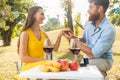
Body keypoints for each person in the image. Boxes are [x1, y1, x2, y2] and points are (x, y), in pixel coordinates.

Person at [63, 0, 115, 78]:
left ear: (100, 8)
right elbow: (84, 39)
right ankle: (102, 76)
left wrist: (76, 42)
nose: (88, 10)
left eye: (91, 7)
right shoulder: (89, 23)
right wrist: (73, 37)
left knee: (84, 71)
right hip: (87, 59)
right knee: (74, 74)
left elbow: (94, 54)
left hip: (103, 60)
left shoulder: (108, 29)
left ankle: (101, 76)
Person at [17, 6, 63, 80]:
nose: (44, 17)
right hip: (30, 68)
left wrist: (60, 36)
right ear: (33, 15)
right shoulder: (25, 33)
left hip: (42, 66)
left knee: (61, 76)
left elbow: (55, 48)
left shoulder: (43, 34)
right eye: (42, 14)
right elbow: (23, 57)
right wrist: (42, 60)